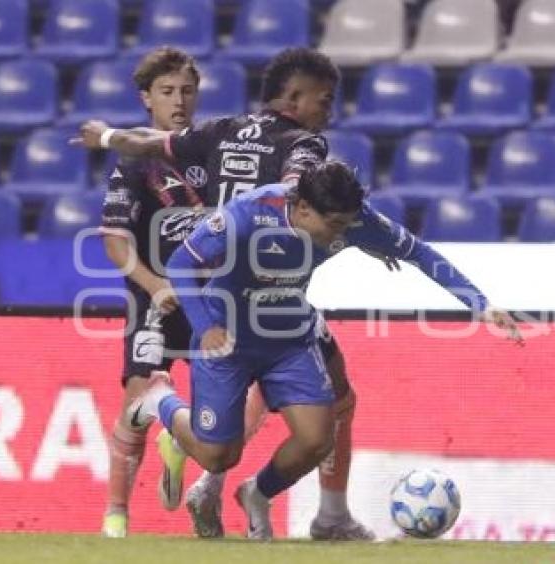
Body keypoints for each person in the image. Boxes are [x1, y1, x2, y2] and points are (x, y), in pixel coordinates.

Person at [127, 160, 522, 540]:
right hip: (226, 338)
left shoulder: (350, 219)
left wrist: (481, 305)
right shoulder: (249, 213)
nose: (343, 233)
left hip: (289, 339)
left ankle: (257, 495)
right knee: (217, 457)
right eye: (334, 224)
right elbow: (181, 263)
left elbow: (418, 252)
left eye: (348, 224)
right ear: (301, 209)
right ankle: (160, 400)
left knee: (318, 440)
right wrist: (205, 326)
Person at [77, 48, 376, 540]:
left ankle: (216, 484)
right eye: (325, 99)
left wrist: (107, 136)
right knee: (336, 399)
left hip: (212, 290)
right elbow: (295, 193)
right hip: (249, 294)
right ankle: (327, 515)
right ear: (295, 97)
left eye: (186, 91)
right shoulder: (303, 144)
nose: (330, 110)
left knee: (248, 407)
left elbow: (153, 142)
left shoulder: (220, 133)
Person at [97, 47, 205, 539]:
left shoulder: (214, 150)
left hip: (211, 298)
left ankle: (181, 452)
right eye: (167, 92)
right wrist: (153, 284)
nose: (178, 101)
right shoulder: (135, 162)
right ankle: (116, 516)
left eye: (186, 91)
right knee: (137, 399)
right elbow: (114, 238)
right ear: (146, 99)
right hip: (156, 299)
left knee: (223, 407)